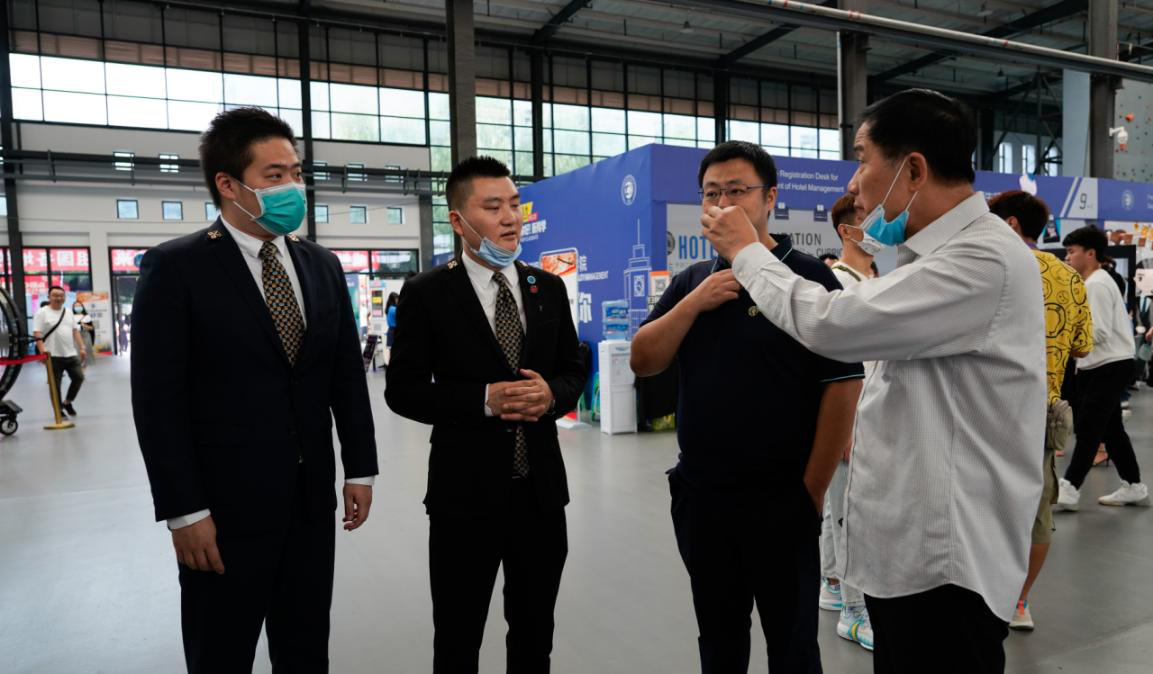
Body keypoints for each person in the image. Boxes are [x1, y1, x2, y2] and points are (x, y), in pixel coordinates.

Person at [701, 89, 1046, 674]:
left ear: (913, 169)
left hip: (946, 566)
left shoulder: (981, 258)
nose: (855, 184)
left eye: (862, 160)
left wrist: (748, 253)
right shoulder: (926, 259)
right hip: (912, 555)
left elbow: (831, 324)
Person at [131, 107, 379, 673]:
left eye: (296, 173)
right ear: (228, 184)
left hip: (310, 504)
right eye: (275, 175)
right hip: (223, 513)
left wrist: (360, 469)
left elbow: (344, 374)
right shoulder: (177, 268)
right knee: (221, 653)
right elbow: (158, 402)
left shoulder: (321, 265)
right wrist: (184, 511)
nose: (293, 187)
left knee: (305, 650)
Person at [631, 141, 865, 672]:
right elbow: (644, 360)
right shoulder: (692, 280)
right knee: (719, 641)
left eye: (737, 191)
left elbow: (842, 385)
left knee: (793, 644)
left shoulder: (808, 276)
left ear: (770, 198)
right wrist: (695, 302)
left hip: (783, 500)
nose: (722, 204)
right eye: (711, 193)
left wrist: (811, 492)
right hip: (703, 499)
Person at [385, 156, 586, 674]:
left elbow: (572, 370)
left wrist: (552, 395)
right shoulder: (428, 293)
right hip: (464, 498)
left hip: (540, 495)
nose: (510, 218)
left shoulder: (547, 289)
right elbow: (403, 391)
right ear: (459, 220)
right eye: (493, 207)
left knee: (535, 633)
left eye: (515, 205)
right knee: (458, 636)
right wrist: (482, 400)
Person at [988, 190, 1093, 631]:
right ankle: (1019, 600)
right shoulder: (1067, 276)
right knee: (1037, 516)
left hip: (987, 409)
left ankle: (984, 595)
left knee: (983, 508)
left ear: (1010, 224)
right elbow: (1083, 346)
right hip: (1042, 414)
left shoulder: (992, 266)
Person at [1056, 225, 1149, 510]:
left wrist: (1062, 342)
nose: (1067, 257)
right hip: (1101, 364)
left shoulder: (1095, 284)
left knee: (1089, 427)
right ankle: (1133, 486)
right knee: (1111, 430)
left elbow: (1097, 332)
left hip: (1107, 365)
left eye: (1072, 251)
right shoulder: (1095, 282)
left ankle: (1070, 487)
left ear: (1091, 253)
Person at [818, 192, 874, 650]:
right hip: (850, 421)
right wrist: (844, 426)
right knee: (850, 515)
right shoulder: (836, 281)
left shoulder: (874, 279)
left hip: (873, 417)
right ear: (846, 229)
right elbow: (831, 361)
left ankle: (833, 584)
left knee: (840, 510)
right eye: (868, 218)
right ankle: (855, 612)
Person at [33, 285, 87, 416]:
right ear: (49, 297)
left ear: (64, 297)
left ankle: (67, 402)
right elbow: (37, 333)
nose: (58, 298)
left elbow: (75, 331)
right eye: (55, 295)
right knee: (55, 385)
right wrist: (42, 352)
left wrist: (82, 347)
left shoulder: (68, 312)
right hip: (52, 355)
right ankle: (58, 411)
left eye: (61, 295)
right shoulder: (42, 312)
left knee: (79, 377)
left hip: (70, 354)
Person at [73, 300, 96, 365]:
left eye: (79, 306)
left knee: (87, 353)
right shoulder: (71, 316)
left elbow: (91, 328)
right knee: (77, 353)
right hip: (75, 336)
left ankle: (84, 368)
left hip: (85, 336)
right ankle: (78, 368)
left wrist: (84, 325)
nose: (77, 307)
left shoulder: (87, 316)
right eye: (76, 306)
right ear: (73, 308)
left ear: (82, 307)